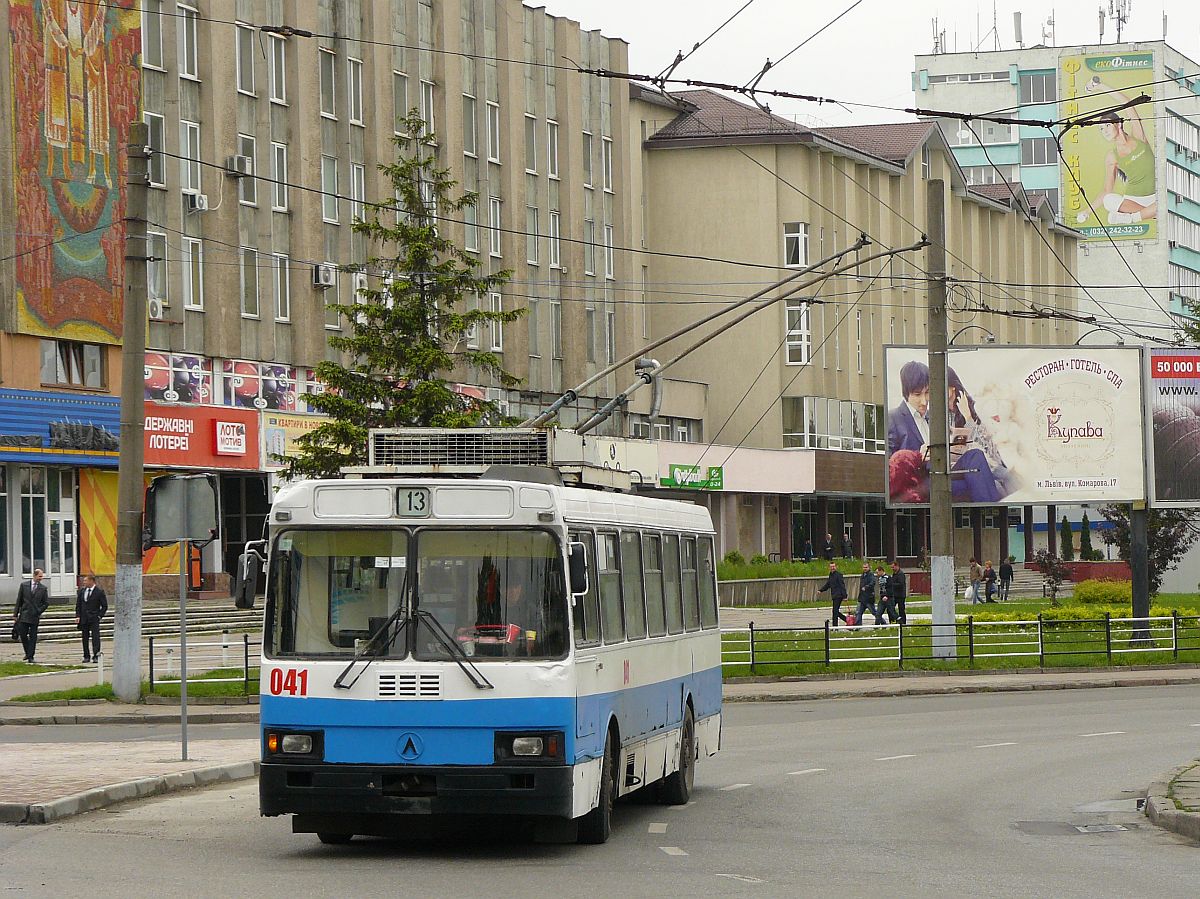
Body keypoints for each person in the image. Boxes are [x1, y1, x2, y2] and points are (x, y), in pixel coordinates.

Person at [887, 360, 1002, 504]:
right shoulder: (893, 418)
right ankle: (991, 510)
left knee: (975, 456)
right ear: (906, 393)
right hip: (920, 481)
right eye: (917, 394)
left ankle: (991, 510)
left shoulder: (934, 417)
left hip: (942, 472)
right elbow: (889, 464)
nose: (924, 401)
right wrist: (917, 457)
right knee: (978, 483)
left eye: (927, 393)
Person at [1096, 108, 1157, 226]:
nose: (1104, 131)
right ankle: (1150, 213)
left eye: (1107, 126)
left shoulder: (1138, 138)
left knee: (1167, 202)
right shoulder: (1112, 156)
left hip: (1156, 196)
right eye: (1101, 129)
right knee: (1108, 200)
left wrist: (1100, 88)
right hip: (1133, 200)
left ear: (1118, 123)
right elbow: (1106, 191)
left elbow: (1129, 105)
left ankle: (1133, 218)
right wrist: (1087, 212)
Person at [14, 569, 50, 664]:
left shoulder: (43, 588)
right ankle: (27, 652)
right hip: (24, 615)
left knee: (33, 637)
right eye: (40, 576)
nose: (41, 578)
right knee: (23, 635)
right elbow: (19, 600)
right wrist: (15, 614)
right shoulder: (24, 585)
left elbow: (46, 603)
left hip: (34, 616)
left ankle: (31, 656)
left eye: (42, 576)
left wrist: (39, 611)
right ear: (34, 575)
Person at [75, 574, 108, 663]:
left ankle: (96, 656)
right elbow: (78, 605)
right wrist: (78, 616)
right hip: (84, 618)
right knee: (84, 638)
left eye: (86, 580)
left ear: (91, 581)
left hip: (94, 618)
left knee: (95, 638)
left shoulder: (99, 592)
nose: (84, 582)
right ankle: (86, 656)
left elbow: (104, 606)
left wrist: (99, 616)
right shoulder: (82, 591)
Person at [817, 561, 848, 627]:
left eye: (833, 566)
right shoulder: (831, 575)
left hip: (839, 595)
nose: (832, 568)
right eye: (831, 567)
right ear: (829, 567)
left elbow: (842, 585)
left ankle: (835, 626)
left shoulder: (839, 575)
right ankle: (846, 620)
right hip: (834, 595)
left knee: (835, 611)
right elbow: (828, 584)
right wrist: (821, 590)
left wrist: (845, 596)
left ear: (836, 567)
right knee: (835, 611)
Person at [854, 562, 879, 627]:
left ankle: (883, 623)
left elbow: (873, 583)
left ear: (869, 567)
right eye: (864, 567)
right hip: (862, 597)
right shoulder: (863, 575)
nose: (865, 569)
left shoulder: (871, 575)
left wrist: (866, 587)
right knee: (858, 612)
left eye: (866, 567)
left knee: (874, 612)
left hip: (868, 598)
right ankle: (857, 626)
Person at [887, 560, 907, 625]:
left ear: (897, 566)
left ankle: (903, 623)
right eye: (891, 567)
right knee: (890, 609)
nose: (892, 569)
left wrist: (892, 584)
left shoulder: (900, 574)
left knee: (901, 610)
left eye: (893, 567)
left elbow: (901, 584)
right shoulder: (894, 574)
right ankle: (893, 621)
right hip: (894, 595)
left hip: (900, 595)